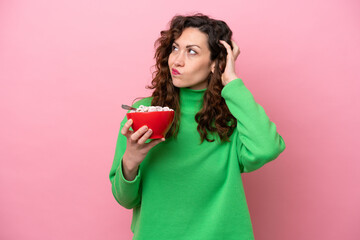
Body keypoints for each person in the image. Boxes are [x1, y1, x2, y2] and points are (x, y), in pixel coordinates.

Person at [109, 13, 286, 240]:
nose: (177, 60)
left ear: (214, 63)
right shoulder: (144, 114)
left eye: (191, 51)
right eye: (175, 48)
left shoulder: (232, 117)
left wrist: (231, 82)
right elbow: (125, 199)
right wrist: (130, 161)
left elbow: (267, 148)